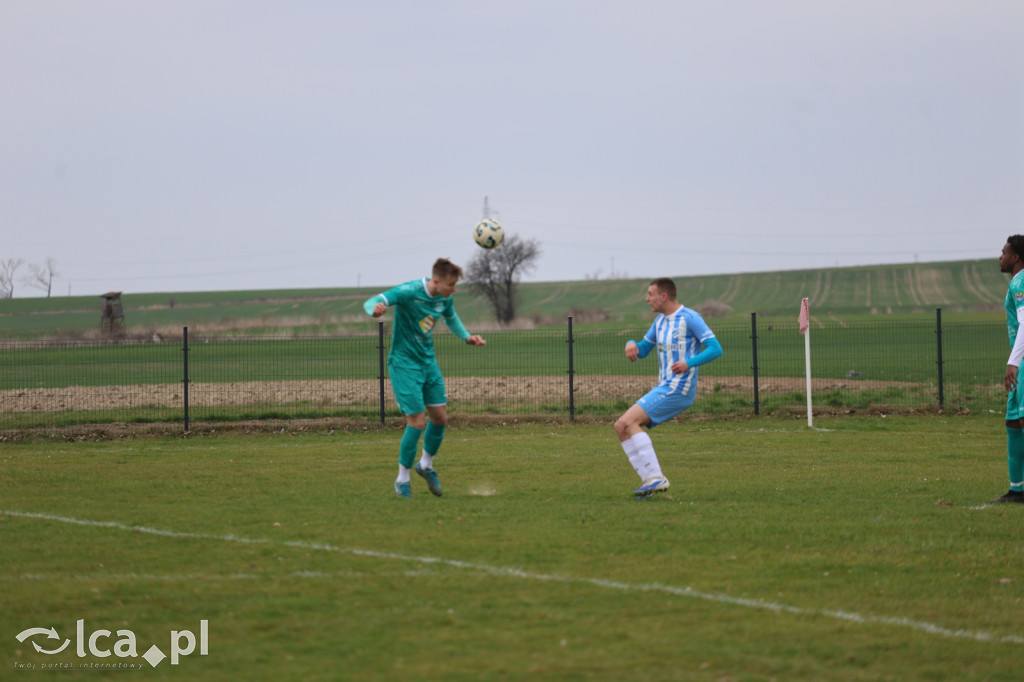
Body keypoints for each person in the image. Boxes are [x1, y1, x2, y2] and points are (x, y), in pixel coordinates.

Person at [363, 258, 485, 498]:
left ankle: (426, 466)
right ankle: (402, 479)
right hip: (404, 364)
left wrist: (467, 337)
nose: (454, 290)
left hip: (428, 363)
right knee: (417, 422)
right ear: (436, 281)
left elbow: (452, 318)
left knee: (440, 418)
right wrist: (374, 309)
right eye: (451, 284)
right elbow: (373, 301)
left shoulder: (445, 298)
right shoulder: (410, 291)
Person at [614, 278, 723, 499]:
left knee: (629, 422)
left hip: (678, 388)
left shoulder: (690, 318)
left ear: (663, 296)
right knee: (620, 427)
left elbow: (715, 348)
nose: (647, 299)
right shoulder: (660, 322)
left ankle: (656, 477)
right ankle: (649, 482)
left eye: (650, 294)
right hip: (665, 386)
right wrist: (631, 344)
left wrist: (688, 363)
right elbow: (643, 350)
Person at [992, 236, 1024, 504]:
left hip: (1022, 363)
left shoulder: (1021, 281)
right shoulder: (1017, 282)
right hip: (1019, 362)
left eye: (1004, 252)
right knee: (1013, 423)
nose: (1000, 257)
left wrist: (1013, 361)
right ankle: (1016, 490)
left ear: (1015, 257)